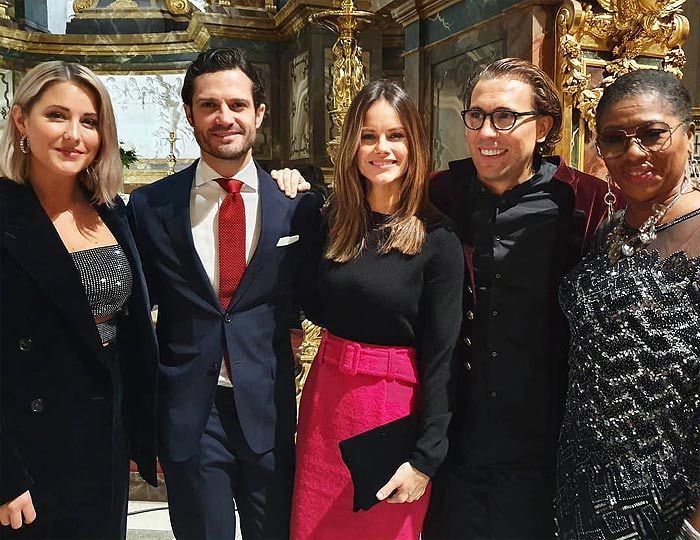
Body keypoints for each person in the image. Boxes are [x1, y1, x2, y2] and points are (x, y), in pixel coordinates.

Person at [275, 58, 613, 538]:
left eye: (505, 117)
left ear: (543, 127)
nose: (487, 132)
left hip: (536, 437)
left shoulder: (584, 203)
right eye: (476, 116)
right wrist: (291, 191)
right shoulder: (443, 194)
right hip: (453, 434)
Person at [127, 48, 321, 540]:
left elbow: (312, 292)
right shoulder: (151, 206)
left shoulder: (294, 205)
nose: (224, 117)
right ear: (190, 113)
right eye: (209, 105)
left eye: (237, 104)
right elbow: (134, 316)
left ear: (258, 113)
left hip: (268, 407)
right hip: (192, 410)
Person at [290, 80, 464, 540]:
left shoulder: (438, 240)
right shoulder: (333, 223)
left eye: (395, 136)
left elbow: (443, 358)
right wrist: (289, 196)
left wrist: (426, 458)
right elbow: (308, 299)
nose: (381, 148)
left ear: (415, 145)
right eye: (368, 136)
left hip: (391, 410)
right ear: (351, 145)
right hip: (326, 400)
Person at [0, 61, 158, 539]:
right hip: (26, 446)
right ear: (21, 121)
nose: (74, 135)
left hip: (101, 432)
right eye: (56, 116)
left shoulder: (111, 209)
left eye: (89, 122)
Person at [556, 69, 700, 538]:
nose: (633, 152)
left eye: (652, 134)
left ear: (688, 134)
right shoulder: (607, 230)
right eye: (615, 139)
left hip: (670, 504)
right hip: (578, 491)